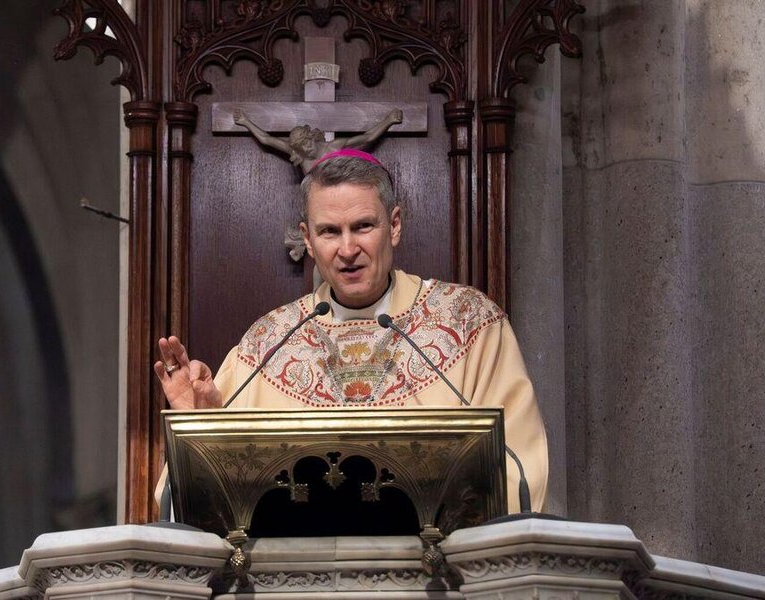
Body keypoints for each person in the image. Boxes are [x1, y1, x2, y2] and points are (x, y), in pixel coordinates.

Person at [154, 149, 548, 512]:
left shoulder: (469, 322)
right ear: (308, 239)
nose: (346, 249)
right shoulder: (268, 344)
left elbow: (516, 468)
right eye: (329, 231)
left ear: (393, 225)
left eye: (362, 226)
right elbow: (189, 504)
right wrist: (197, 430)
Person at [232, 108, 403, 174]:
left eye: (307, 142)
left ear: (312, 137)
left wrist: (389, 120)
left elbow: (368, 137)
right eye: (301, 146)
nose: (306, 148)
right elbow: (266, 139)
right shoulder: (298, 153)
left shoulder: (333, 146)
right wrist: (245, 122)